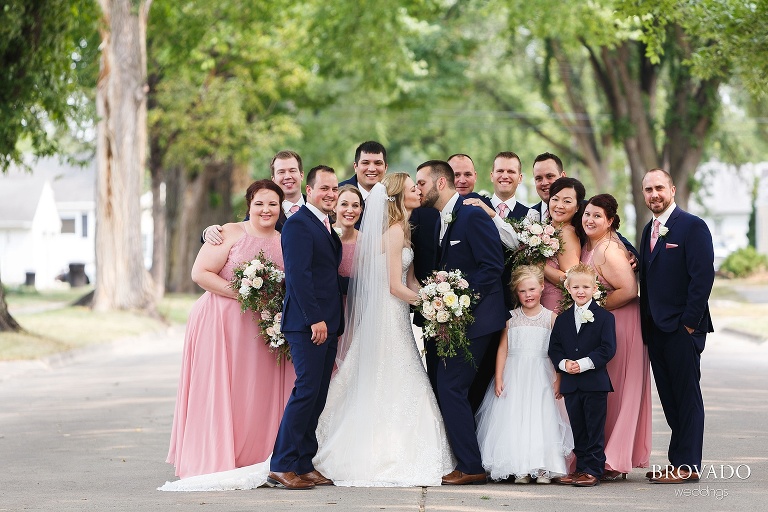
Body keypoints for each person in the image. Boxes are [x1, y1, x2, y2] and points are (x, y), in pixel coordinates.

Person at [313, 174, 455, 486]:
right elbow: (394, 286)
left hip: (401, 314)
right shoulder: (392, 231)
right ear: (398, 196)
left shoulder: (405, 228)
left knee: (401, 373)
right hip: (388, 313)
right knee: (391, 374)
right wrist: (428, 304)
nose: (418, 190)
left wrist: (437, 294)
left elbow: (411, 280)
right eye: (412, 188)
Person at [166, 180, 295, 480]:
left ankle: (254, 455)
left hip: (259, 326)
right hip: (219, 322)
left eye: (272, 204)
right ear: (249, 205)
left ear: (280, 208)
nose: (266, 210)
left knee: (254, 391)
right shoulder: (229, 232)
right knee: (220, 386)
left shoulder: (284, 239)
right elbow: (200, 273)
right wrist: (242, 293)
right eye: (260, 203)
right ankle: (214, 454)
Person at [416, 159, 507, 486]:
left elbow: (492, 265)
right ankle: (466, 461)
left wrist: (457, 294)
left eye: (422, 183)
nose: (418, 189)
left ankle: (471, 466)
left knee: (451, 386)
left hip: (478, 320)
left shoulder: (472, 215)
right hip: (458, 321)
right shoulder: (444, 217)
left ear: (441, 183)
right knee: (448, 385)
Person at [268, 165, 346, 490]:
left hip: (327, 323)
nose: (330, 194)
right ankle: (282, 464)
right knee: (306, 391)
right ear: (309, 190)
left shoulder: (326, 225)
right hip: (307, 323)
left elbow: (326, 273)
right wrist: (315, 318)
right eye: (324, 188)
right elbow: (298, 275)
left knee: (318, 395)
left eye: (334, 189)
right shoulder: (299, 224)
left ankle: (304, 461)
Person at [639, 168, 714, 484]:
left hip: (682, 328)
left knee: (686, 397)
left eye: (659, 188)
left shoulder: (692, 227)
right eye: (648, 190)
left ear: (671, 188)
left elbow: (702, 278)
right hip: (655, 329)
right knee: (669, 398)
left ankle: (688, 466)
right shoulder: (648, 230)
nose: (653, 194)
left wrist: (688, 324)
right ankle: (677, 462)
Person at [476, 265, 573, 484]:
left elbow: (558, 351)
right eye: (522, 291)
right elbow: (503, 348)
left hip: (541, 374)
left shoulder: (551, 318)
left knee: (541, 418)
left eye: (532, 289)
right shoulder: (510, 318)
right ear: (516, 293)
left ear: (541, 287)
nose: (528, 295)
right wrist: (499, 377)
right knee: (515, 418)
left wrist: (559, 377)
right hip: (515, 374)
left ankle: (542, 467)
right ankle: (520, 467)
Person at [581, 194, 652, 481]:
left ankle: (613, 457)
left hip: (622, 323)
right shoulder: (594, 244)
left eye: (597, 215)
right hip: (612, 323)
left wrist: (595, 308)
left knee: (616, 389)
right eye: (587, 214)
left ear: (610, 221)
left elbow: (629, 290)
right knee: (609, 390)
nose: (590, 219)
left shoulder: (608, 249)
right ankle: (607, 454)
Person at [548, 264, 616, 487]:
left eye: (586, 286)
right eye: (576, 286)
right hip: (571, 384)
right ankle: (580, 469)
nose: (581, 291)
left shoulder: (605, 318)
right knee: (578, 428)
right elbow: (554, 348)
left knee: (594, 428)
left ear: (594, 288)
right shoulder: (563, 319)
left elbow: (608, 349)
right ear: (568, 288)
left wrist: (584, 364)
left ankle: (594, 470)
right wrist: (564, 364)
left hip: (595, 383)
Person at [203, 150, 305, 243]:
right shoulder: (262, 211)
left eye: (292, 170)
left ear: (301, 175)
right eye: (281, 172)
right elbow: (240, 233)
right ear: (273, 179)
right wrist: (209, 232)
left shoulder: (318, 207)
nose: (287, 176)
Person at [540, 177, 584, 312]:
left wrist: (539, 265)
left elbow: (570, 279)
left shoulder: (566, 233)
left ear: (577, 207)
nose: (559, 205)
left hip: (555, 305)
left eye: (567, 201)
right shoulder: (550, 228)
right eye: (555, 199)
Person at [333, 184, 363, 367]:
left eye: (355, 205)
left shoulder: (366, 242)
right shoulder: (323, 236)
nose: (350, 210)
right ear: (334, 207)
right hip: (328, 311)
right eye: (344, 204)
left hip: (356, 313)